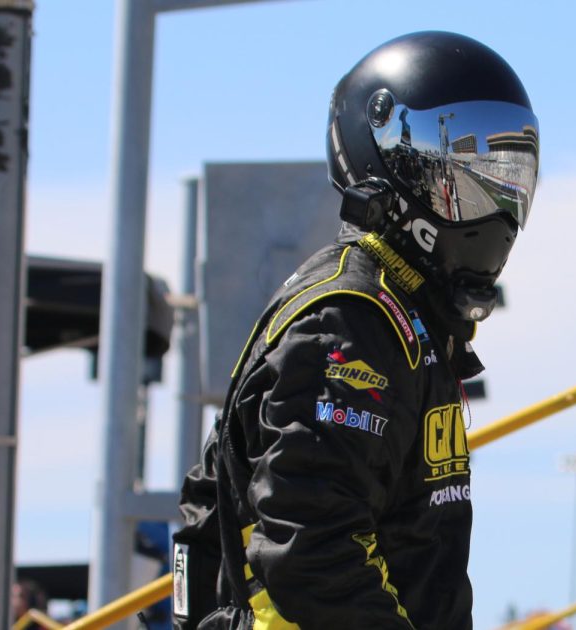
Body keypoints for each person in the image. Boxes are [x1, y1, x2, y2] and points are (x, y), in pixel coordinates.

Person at [172, 31, 539, 629]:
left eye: (508, 174)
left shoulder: (409, 316)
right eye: (467, 176)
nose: (496, 204)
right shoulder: (351, 323)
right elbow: (312, 549)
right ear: (389, 165)